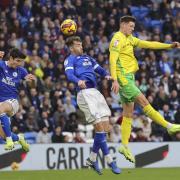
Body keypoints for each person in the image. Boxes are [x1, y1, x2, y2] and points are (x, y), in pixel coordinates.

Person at [109, 15, 180, 163]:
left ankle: (124, 146)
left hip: (129, 78)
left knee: (128, 113)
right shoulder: (117, 38)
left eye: (133, 27)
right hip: (123, 78)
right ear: (123, 25)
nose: (132, 29)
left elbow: (149, 44)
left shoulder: (130, 39)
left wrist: (169, 46)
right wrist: (115, 79)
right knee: (143, 101)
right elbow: (112, 59)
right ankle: (168, 126)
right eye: (131, 26)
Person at [64, 36, 121, 175]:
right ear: (71, 48)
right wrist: (78, 81)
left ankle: (92, 158)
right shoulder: (70, 59)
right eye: (78, 45)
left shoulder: (88, 58)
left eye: (81, 44)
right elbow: (69, 74)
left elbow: (100, 69)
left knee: (106, 128)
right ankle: (110, 161)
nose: (81, 47)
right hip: (84, 93)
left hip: (96, 92)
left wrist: (107, 75)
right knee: (100, 129)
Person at [0, 48, 35, 151]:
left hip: (12, 102)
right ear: (11, 58)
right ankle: (19, 138)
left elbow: (32, 86)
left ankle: (10, 141)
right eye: (18, 61)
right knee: (3, 135)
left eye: (22, 61)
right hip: (1, 104)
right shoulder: (1, 65)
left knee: (1, 109)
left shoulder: (21, 70)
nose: (20, 64)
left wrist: (32, 81)